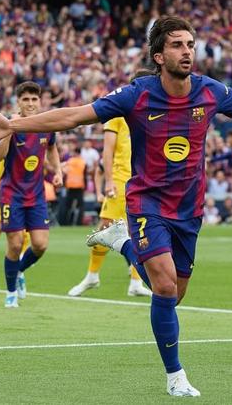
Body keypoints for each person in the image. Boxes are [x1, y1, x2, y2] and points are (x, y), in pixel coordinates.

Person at [0, 16, 232, 397]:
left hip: (189, 208)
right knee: (163, 284)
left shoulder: (209, 91)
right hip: (147, 202)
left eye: (190, 44)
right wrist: (14, 125)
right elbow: (74, 115)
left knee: (174, 295)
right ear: (159, 56)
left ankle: (122, 242)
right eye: (177, 45)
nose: (187, 51)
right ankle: (176, 377)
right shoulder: (136, 95)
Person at [68, 69, 154, 298]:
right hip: (120, 179)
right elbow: (107, 150)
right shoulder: (119, 113)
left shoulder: (153, 114)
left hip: (142, 181)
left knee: (139, 231)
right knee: (106, 227)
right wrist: (108, 181)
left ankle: (135, 282)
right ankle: (92, 276)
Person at [0, 81, 62, 308]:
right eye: (26, 99)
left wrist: (58, 171)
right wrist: (9, 129)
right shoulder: (10, 123)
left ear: (40, 102)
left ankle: (19, 271)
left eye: (34, 99)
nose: (31, 103)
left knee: (40, 245)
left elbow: (52, 148)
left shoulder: (47, 125)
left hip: (36, 194)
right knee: (15, 245)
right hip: (11, 194)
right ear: (18, 102)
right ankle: (11, 293)